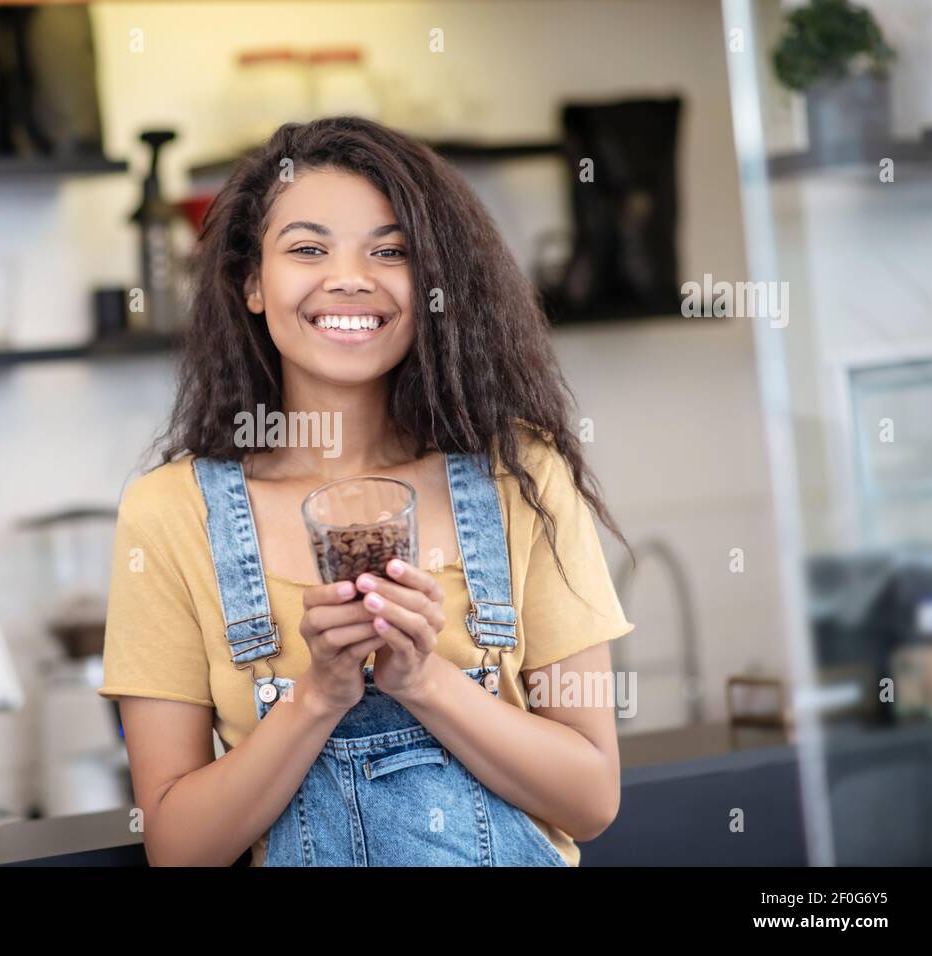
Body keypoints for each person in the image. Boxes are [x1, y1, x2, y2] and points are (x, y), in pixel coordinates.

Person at [98, 115, 635, 866]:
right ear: (252, 282)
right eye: (308, 248)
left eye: (391, 251)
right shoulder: (168, 512)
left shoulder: (523, 476)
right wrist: (318, 695)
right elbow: (179, 848)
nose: (350, 278)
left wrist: (424, 680)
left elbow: (592, 797)